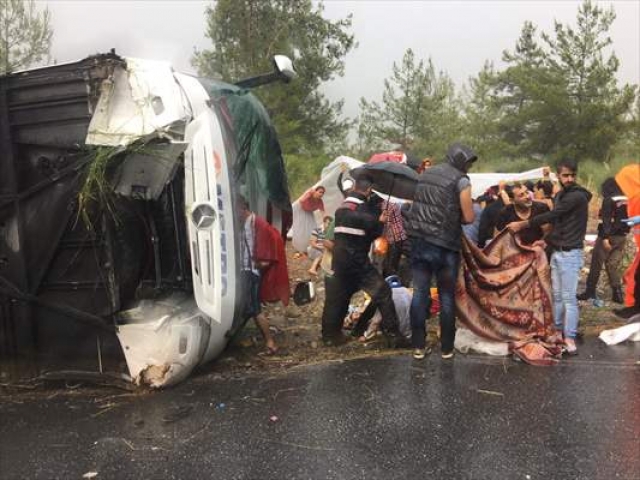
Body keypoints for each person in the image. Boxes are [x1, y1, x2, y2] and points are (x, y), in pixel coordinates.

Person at [508, 159, 592, 355]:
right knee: (556, 296)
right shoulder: (562, 194)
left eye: (572, 175)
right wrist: (546, 242)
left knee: (569, 298)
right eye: (565, 175)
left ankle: (569, 338)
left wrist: (524, 224)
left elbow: (553, 216)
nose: (569, 179)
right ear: (559, 176)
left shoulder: (577, 197)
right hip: (557, 252)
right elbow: (561, 225)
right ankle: (555, 332)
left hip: (571, 254)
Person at [404, 143, 478, 359]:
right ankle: (446, 348)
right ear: (461, 161)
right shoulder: (462, 180)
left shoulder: (426, 174)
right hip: (445, 245)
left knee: (420, 293)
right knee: (446, 296)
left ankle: (418, 346)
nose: (468, 168)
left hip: (418, 241)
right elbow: (469, 217)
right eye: (468, 163)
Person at [321, 174, 408, 348]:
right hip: (357, 261)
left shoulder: (342, 208)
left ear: (354, 188)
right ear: (368, 190)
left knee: (336, 299)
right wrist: (381, 222)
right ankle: (394, 337)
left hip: (339, 261)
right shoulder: (365, 209)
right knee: (382, 291)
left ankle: (330, 336)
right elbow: (372, 233)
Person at [237, 195, 282, 355]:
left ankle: (270, 342)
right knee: (248, 308)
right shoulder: (247, 222)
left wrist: (262, 262)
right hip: (246, 270)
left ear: (242, 206)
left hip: (250, 272)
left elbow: (271, 243)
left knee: (255, 309)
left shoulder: (257, 223)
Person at [577, 178, 629, 303]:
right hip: (621, 236)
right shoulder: (626, 200)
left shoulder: (608, 200)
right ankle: (618, 294)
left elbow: (606, 220)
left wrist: (605, 238)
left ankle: (589, 291)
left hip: (608, 236)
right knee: (612, 264)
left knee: (596, 263)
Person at [292, 185, 326, 255]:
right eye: (320, 192)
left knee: (312, 228)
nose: (321, 194)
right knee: (301, 229)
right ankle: (300, 247)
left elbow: (323, 212)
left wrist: (326, 222)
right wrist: (309, 193)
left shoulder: (320, 201)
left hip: (309, 212)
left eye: (322, 193)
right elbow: (301, 201)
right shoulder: (310, 194)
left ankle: (309, 246)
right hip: (301, 209)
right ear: (315, 191)